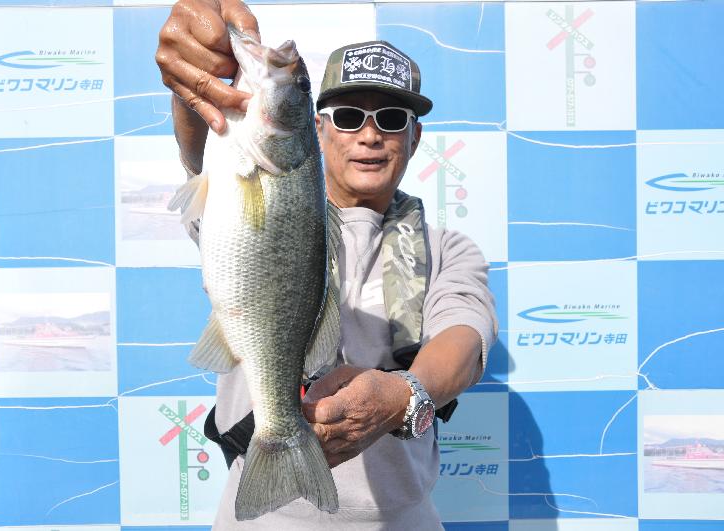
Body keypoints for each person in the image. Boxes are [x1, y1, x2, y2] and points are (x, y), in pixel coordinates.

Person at [156, 1, 498, 528]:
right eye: (348, 116)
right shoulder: (240, 184)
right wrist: (194, 83)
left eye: (391, 119)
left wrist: (402, 394)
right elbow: (201, 147)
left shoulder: (448, 248)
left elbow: (465, 341)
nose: (369, 135)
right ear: (316, 129)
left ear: (414, 138)